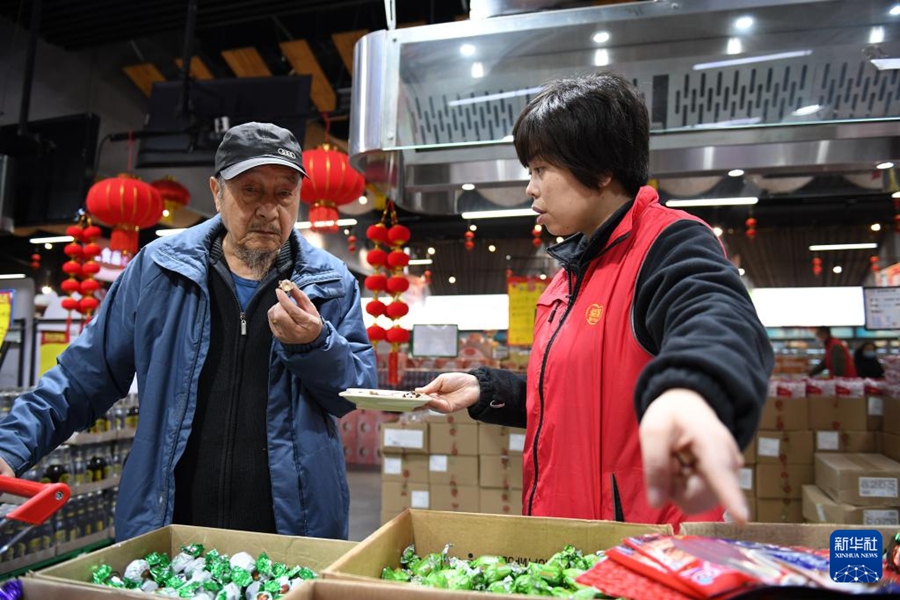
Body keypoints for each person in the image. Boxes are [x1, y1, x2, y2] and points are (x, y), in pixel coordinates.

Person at [418, 72, 773, 527]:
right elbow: (581, 396)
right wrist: (487, 389)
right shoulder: (571, 272)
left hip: (646, 547)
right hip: (565, 539)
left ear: (601, 170)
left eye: (541, 170)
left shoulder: (668, 244)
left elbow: (719, 321)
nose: (530, 188)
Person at [0, 122, 377, 541]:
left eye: (283, 193)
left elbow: (356, 389)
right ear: (216, 191)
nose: (269, 210)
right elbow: (83, 377)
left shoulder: (330, 281)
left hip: (292, 526)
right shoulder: (159, 269)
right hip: (171, 522)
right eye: (250, 190)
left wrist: (315, 345)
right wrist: (10, 449)